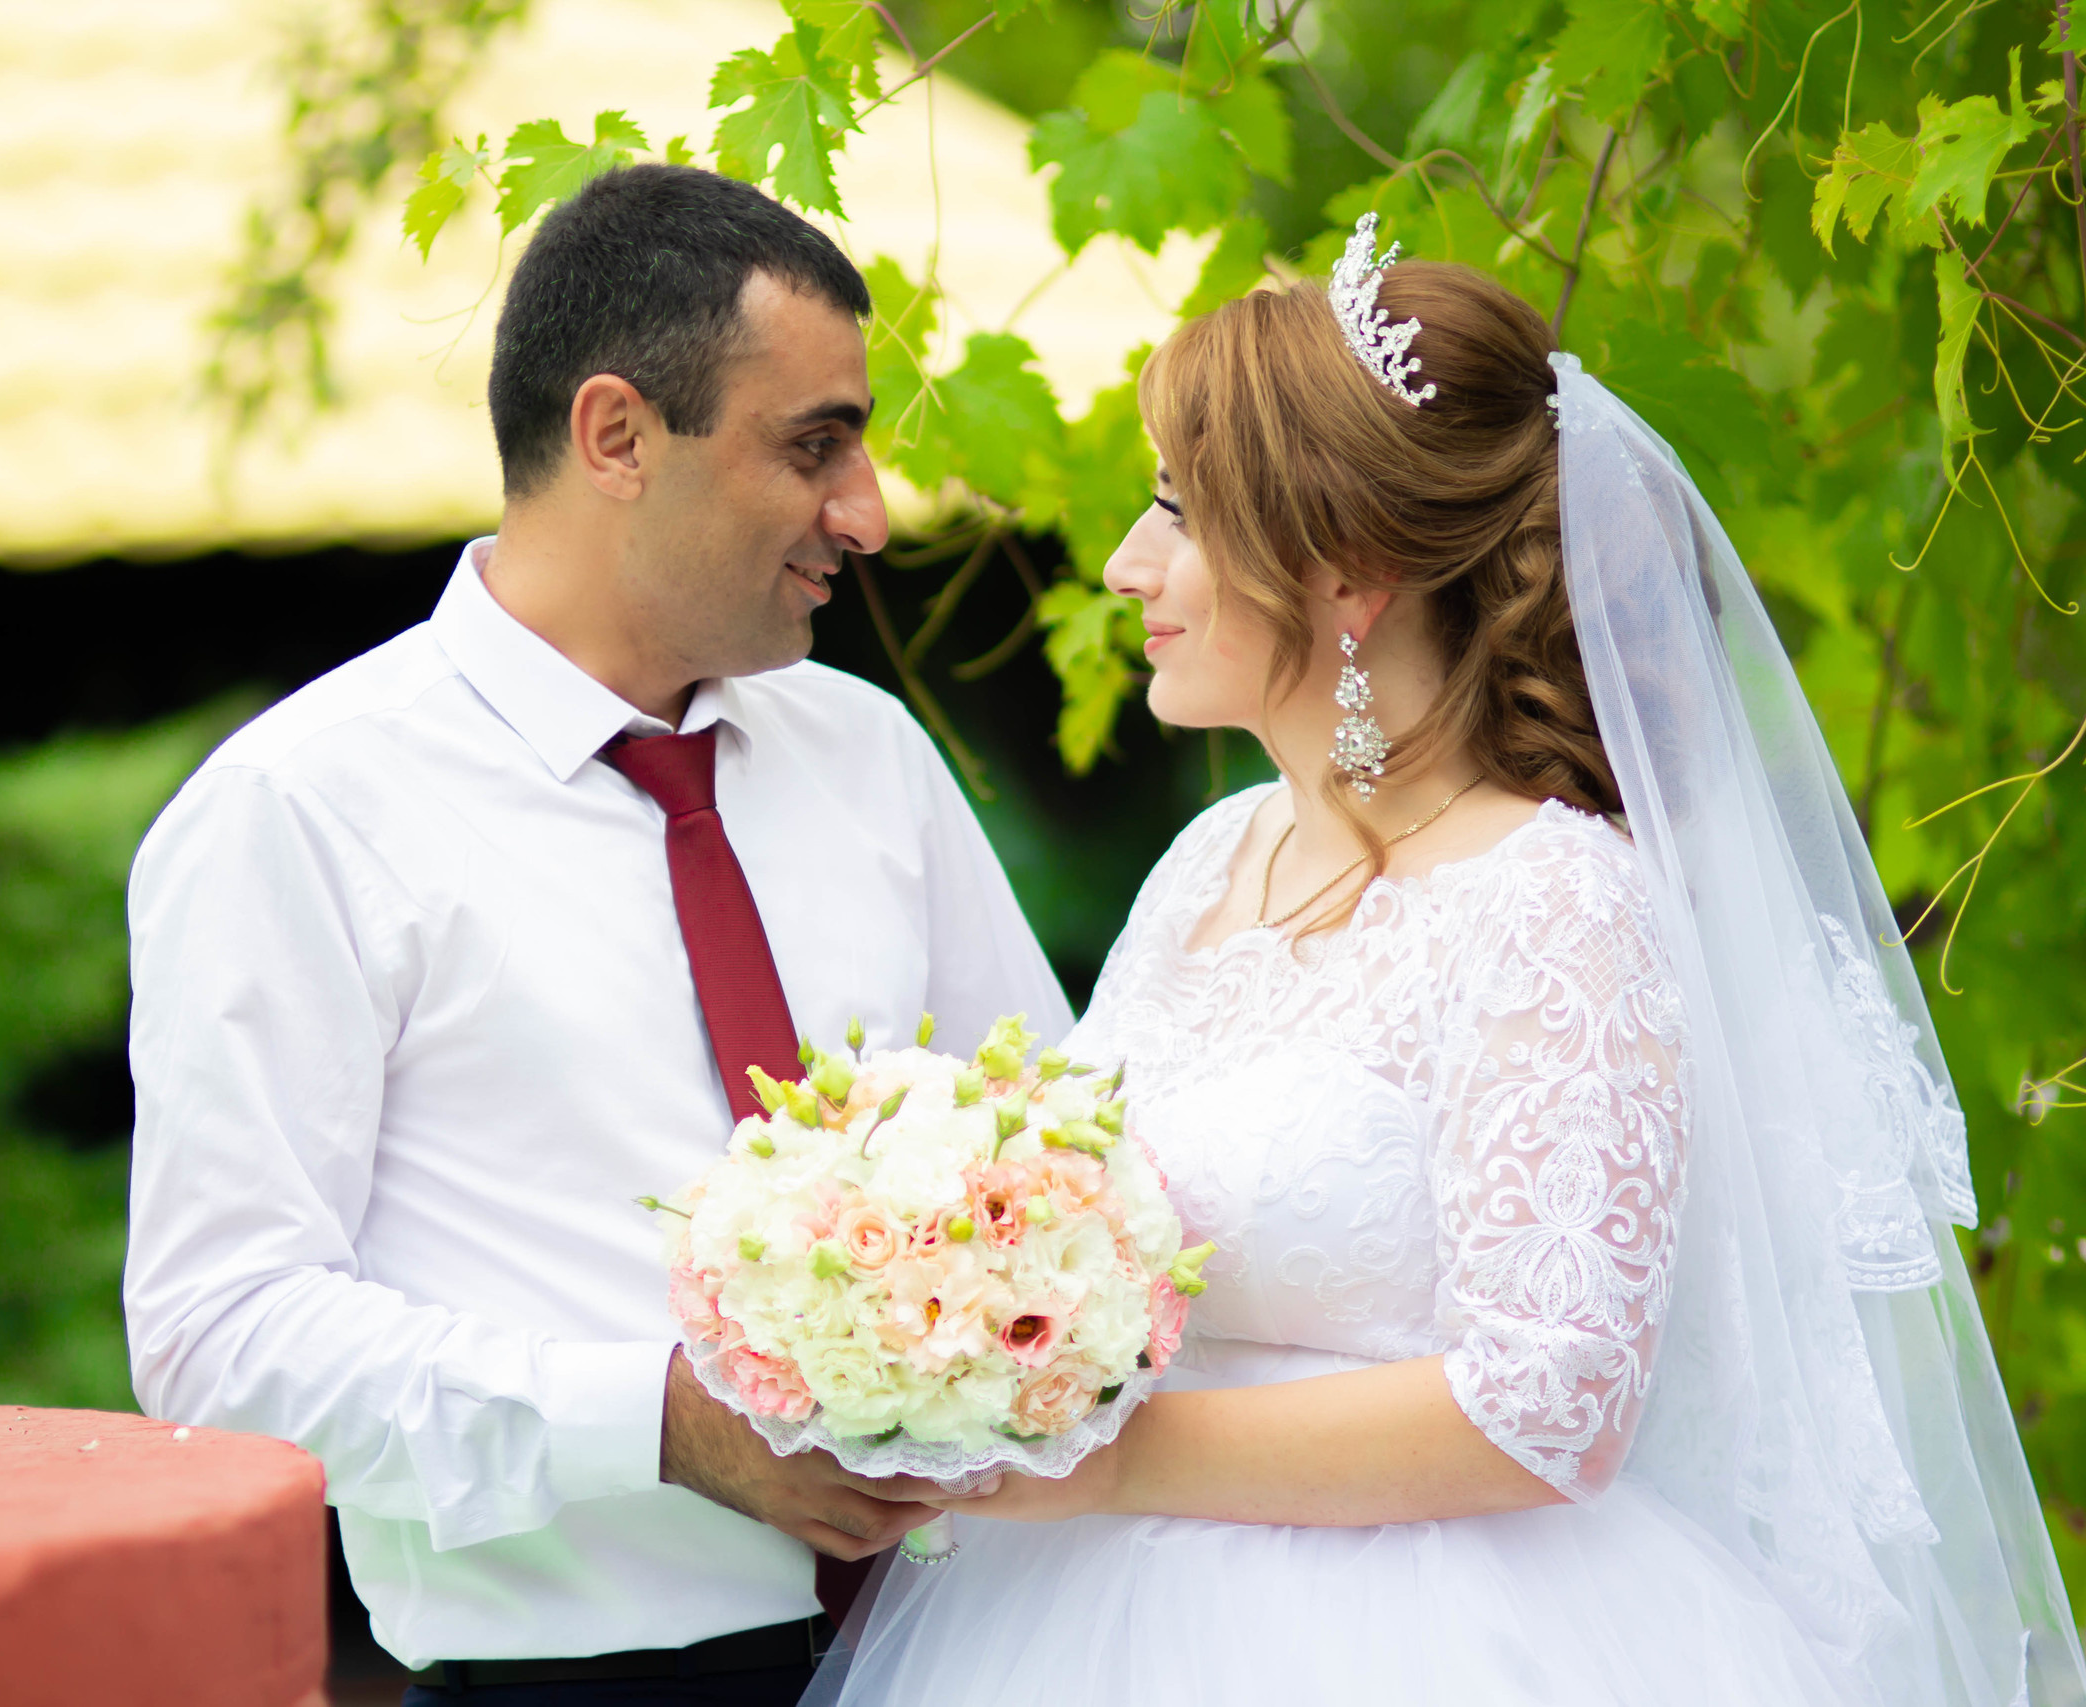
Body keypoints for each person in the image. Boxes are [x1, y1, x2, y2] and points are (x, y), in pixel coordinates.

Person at [816, 223, 2086, 1705]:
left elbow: (1550, 1407)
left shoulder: (1552, 905)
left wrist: (1106, 1465)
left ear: (1345, 576)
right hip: (1086, 1625)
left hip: (1440, 1637)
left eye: (1179, 513)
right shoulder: (1207, 862)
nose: (1126, 564)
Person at [121, 164, 1069, 1707]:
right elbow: (222, 1341)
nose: (870, 513)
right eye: (814, 445)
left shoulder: (869, 755)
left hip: (981, 1651)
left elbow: (1055, 1163)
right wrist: (658, 1424)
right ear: (617, 436)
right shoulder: (299, 811)